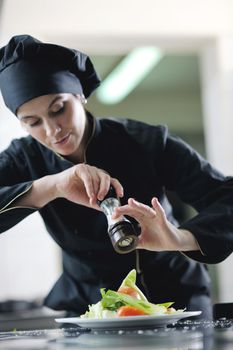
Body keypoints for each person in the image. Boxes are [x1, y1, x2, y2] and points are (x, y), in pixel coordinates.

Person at [0, 35, 232, 320]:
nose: (52, 131)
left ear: (80, 95)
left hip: (175, 299)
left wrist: (179, 237)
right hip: (88, 310)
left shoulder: (146, 142)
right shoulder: (24, 158)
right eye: (33, 122)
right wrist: (52, 186)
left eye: (59, 109)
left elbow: (227, 198)